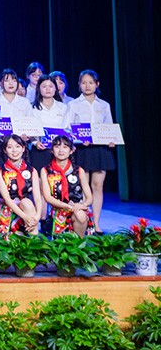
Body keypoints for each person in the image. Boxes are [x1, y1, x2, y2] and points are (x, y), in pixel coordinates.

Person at [65, 69, 115, 234]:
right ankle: (84, 222)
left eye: (91, 83)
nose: (87, 86)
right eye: (84, 83)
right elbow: (67, 129)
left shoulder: (104, 105)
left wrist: (111, 139)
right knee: (82, 187)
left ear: (97, 84)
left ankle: (97, 223)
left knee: (98, 186)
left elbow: (109, 127)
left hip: (100, 149)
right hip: (83, 149)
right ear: (79, 85)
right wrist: (79, 139)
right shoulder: (73, 104)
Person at [41, 135, 93, 236]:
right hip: (58, 210)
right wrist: (67, 206)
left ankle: (79, 243)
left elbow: (89, 197)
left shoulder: (79, 170)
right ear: (52, 150)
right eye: (57, 146)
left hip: (77, 208)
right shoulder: (45, 171)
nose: (61, 150)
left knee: (80, 215)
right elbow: (47, 197)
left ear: (71, 151)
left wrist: (82, 205)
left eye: (65, 147)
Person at [0, 134, 41, 235]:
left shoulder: (32, 170)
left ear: (23, 148)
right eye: (10, 147)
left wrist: (37, 216)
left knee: (26, 202)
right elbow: (7, 199)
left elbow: (38, 198)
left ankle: (34, 239)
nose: (14, 150)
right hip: (8, 208)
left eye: (17, 146)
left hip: (26, 208)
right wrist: (25, 217)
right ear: (5, 150)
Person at [0, 69, 33, 168]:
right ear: (0, 82)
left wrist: (27, 135)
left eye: (14, 80)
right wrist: (1, 136)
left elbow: (30, 123)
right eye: (7, 80)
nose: (11, 83)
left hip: (19, 145)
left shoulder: (24, 102)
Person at [30, 74, 67, 173]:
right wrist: (35, 142)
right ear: (39, 88)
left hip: (59, 151)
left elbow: (67, 129)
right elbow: (29, 130)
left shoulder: (63, 108)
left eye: (50, 86)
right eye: (44, 86)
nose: (47, 89)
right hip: (39, 150)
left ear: (55, 89)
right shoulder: (32, 108)